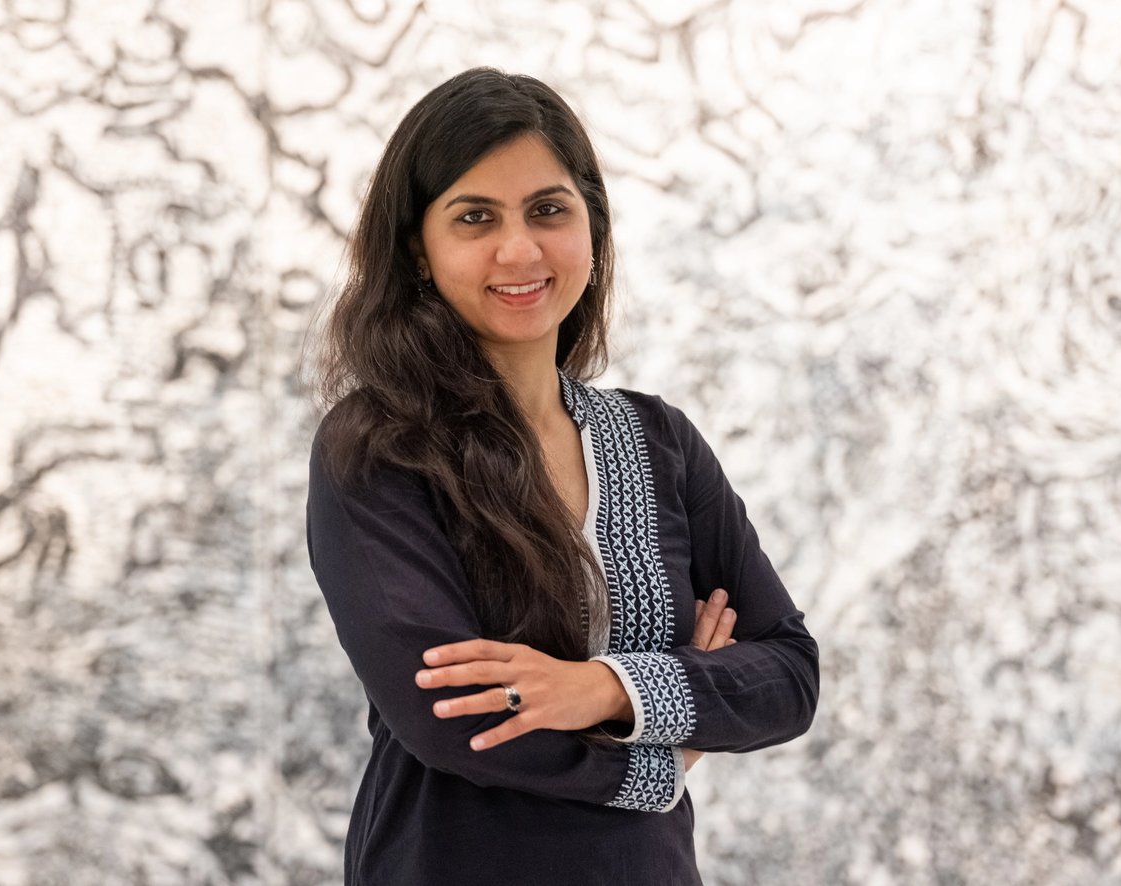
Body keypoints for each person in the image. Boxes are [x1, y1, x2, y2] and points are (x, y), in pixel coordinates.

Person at [306, 67, 819, 886]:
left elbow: (789, 675)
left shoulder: (659, 443)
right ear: (420, 250)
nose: (520, 250)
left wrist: (601, 690)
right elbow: (451, 718)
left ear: (592, 229)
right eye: (475, 218)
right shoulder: (379, 447)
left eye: (548, 210)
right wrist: (669, 748)